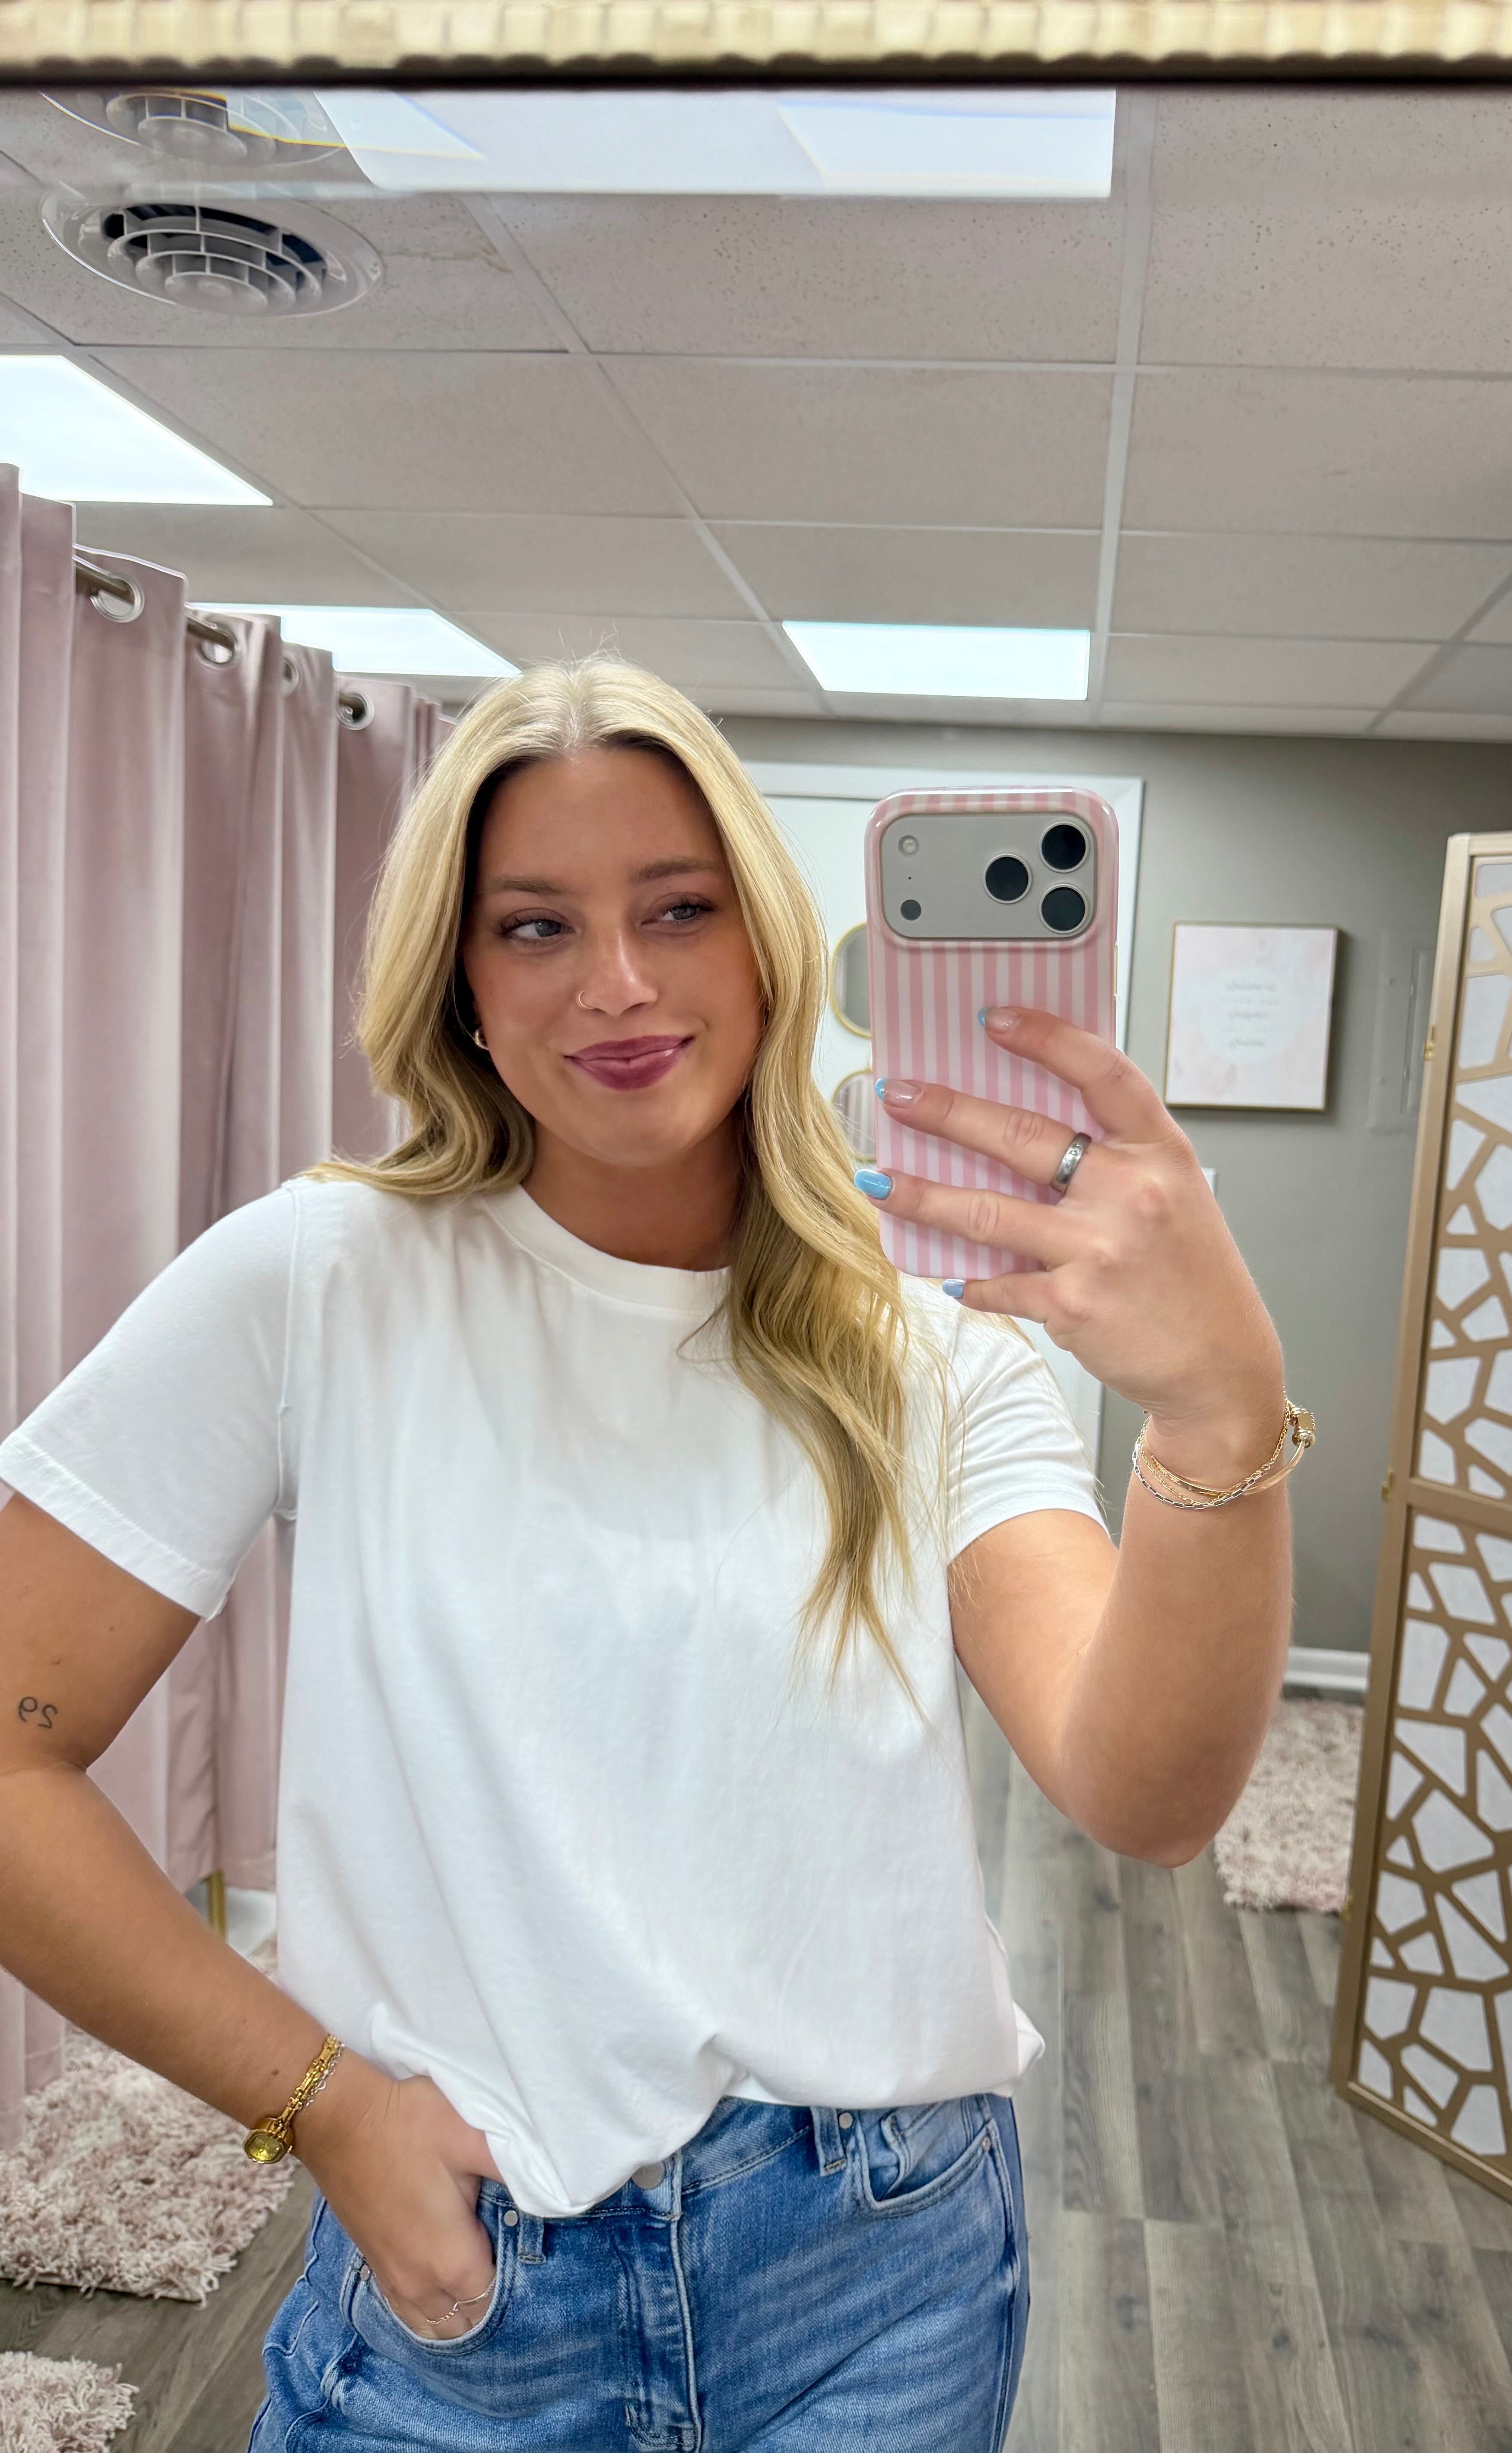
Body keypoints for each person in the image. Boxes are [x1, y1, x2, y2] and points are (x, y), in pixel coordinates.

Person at [0, 660, 1297, 2451]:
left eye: (678, 909)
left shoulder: (932, 1347)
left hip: (882, 2281)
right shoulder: (318, 1283)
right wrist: (322, 2107)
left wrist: (1222, 1416)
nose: (615, 982)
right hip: (470, 2283)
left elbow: (1143, 1797)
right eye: (535, 926)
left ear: (767, 947)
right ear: (460, 981)